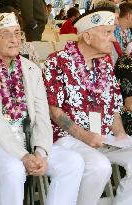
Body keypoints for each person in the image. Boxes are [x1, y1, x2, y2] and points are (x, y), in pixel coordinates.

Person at [0, 12, 85, 205]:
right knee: (13, 168)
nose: (14, 40)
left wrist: (41, 153)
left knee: (72, 162)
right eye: (6, 34)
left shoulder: (30, 68)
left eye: (17, 33)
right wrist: (22, 155)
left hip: (27, 142)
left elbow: (42, 115)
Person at [43, 8, 132, 205]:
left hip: (103, 137)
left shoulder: (106, 63)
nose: (114, 39)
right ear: (88, 36)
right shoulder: (57, 62)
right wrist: (85, 135)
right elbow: (54, 111)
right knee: (100, 167)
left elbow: (114, 105)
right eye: (107, 33)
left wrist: (120, 134)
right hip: (68, 137)